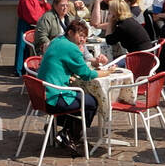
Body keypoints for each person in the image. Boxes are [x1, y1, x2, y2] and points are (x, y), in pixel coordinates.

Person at [37, 18, 116, 155]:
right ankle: (70, 135)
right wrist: (107, 72)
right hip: (54, 97)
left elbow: (66, 66)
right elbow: (86, 74)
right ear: (70, 33)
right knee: (92, 102)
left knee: (82, 97)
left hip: (41, 94)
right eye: (80, 35)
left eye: (85, 37)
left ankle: (60, 129)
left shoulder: (57, 41)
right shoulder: (71, 48)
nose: (83, 40)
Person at [16, 0, 49, 75]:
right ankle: (19, 70)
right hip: (26, 25)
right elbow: (32, 16)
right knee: (23, 48)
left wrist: (45, 0)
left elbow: (48, 12)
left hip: (36, 25)